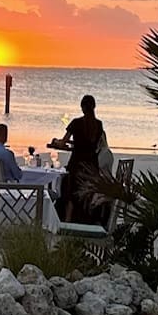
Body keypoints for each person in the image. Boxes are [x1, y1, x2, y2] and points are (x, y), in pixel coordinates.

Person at [58, 95, 112, 223]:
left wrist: (58, 142)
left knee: (70, 193)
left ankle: (68, 220)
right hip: (91, 166)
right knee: (87, 193)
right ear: (94, 107)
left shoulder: (76, 123)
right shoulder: (99, 125)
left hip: (77, 164)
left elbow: (63, 142)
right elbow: (92, 144)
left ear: (82, 108)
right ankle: (86, 219)